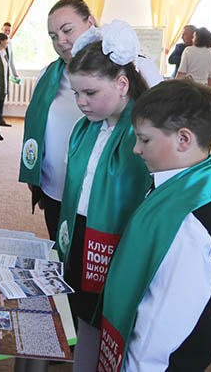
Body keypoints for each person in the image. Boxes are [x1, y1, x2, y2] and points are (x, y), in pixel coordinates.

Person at [97, 79, 211, 371]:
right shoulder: (186, 181)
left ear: (183, 139)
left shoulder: (186, 223)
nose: (136, 149)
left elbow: (162, 318)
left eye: (144, 140)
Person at [20, 0, 161, 242]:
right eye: (53, 36)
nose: (60, 41)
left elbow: (159, 131)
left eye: (67, 30)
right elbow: (40, 128)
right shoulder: (49, 74)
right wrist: (38, 179)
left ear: (90, 23)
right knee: (63, 250)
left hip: (110, 197)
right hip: (57, 188)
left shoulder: (134, 66)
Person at [55, 21, 151, 371]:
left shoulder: (145, 134)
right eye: (76, 93)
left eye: (90, 93)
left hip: (118, 244)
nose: (81, 102)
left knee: (111, 321)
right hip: (83, 233)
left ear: (122, 84)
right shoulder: (87, 128)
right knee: (85, 314)